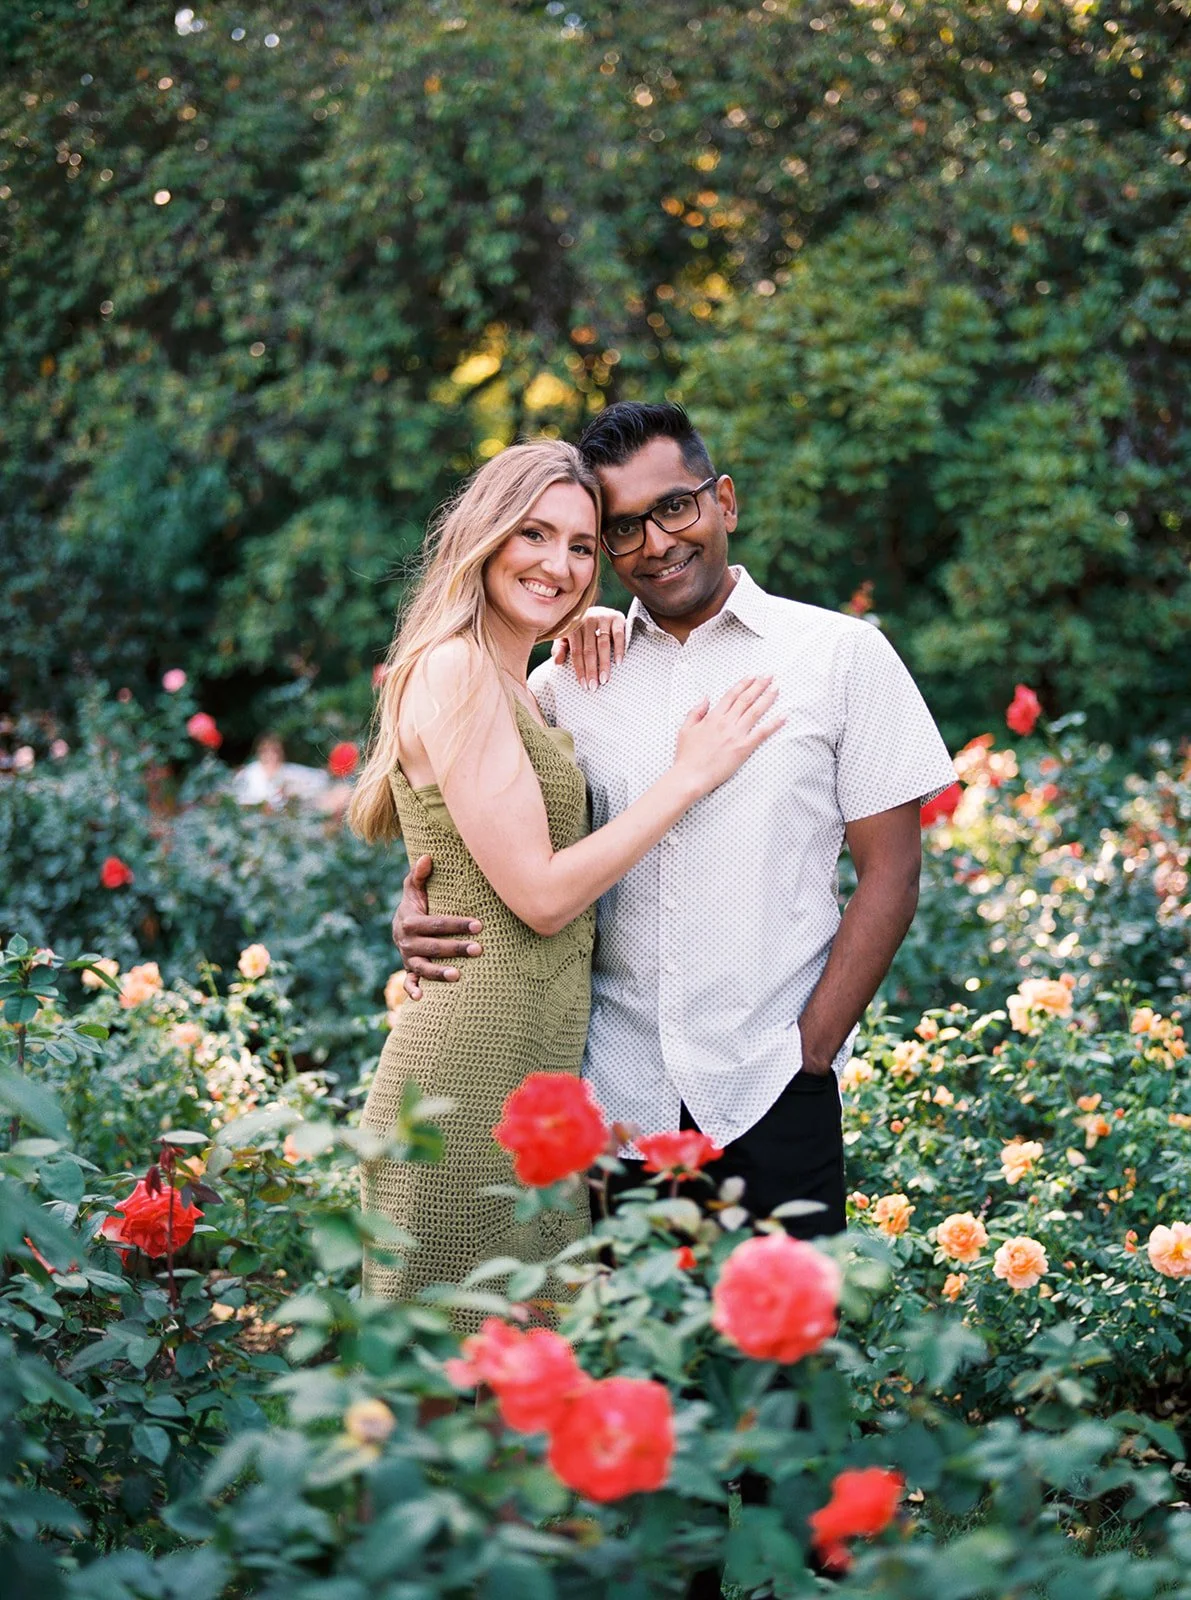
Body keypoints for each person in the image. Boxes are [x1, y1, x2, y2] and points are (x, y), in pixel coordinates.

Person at [392, 402, 958, 1240]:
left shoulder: (838, 656)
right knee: (622, 1370)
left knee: (783, 1366)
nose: (655, 542)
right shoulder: (566, 680)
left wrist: (810, 1053)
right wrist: (414, 912)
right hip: (609, 1104)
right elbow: (488, 837)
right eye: (620, 530)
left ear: (722, 501)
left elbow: (892, 872)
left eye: (675, 508)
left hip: (770, 1089)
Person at [346, 437, 780, 1313]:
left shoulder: (516, 678)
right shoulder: (458, 667)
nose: (558, 564)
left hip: (537, 1082)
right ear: (486, 534)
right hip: (465, 1080)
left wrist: (587, 625)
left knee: (524, 1385)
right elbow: (541, 896)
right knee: (443, 1382)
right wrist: (689, 776)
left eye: (582, 548)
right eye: (534, 536)